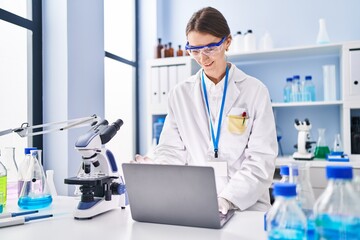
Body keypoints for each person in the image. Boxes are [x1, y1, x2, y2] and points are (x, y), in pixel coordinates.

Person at [135, 6, 278, 214]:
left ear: (227, 42)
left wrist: (227, 199)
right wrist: (156, 167)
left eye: (210, 48)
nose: (202, 58)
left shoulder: (255, 91)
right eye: (194, 50)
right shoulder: (180, 94)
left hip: (247, 207)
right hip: (197, 204)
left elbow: (261, 161)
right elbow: (171, 150)